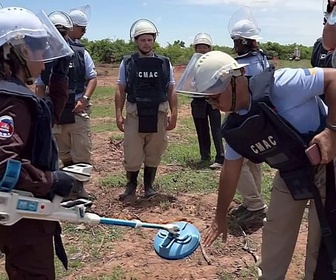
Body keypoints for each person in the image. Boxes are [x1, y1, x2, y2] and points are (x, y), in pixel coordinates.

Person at [176, 50, 336, 279]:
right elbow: (230, 171)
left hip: (329, 162)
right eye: (207, 99)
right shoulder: (237, 127)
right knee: (275, 233)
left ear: (234, 80)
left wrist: (331, 131)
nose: (212, 105)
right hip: (293, 172)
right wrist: (220, 216)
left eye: (214, 97)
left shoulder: (283, 84)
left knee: (321, 242)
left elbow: (334, 78)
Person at [0, 6, 76, 279]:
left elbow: (44, 120)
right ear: (19, 49)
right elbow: (3, 164)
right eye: (41, 51)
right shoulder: (12, 100)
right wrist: (51, 181)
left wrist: (59, 79)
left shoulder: (15, 94)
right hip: (22, 218)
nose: (44, 62)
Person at [36, 7, 98, 200]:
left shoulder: (80, 52)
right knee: (62, 151)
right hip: (55, 112)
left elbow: (92, 78)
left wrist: (84, 99)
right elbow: (40, 84)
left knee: (82, 150)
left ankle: (80, 189)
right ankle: (68, 187)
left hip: (77, 109)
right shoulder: (44, 55)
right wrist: (42, 110)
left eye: (62, 31)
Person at [115, 18, 177, 200]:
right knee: (132, 152)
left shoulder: (165, 62)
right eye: (142, 40)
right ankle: (131, 185)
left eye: (150, 39)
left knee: (155, 151)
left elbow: (171, 89)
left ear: (154, 40)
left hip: (158, 112)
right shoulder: (127, 63)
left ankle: (149, 186)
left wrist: (174, 114)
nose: (146, 43)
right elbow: (120, 89)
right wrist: (118, 114)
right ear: (136, 41)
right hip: (135, 113)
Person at [227, 7, 269, 231]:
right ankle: (253, 200)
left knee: (235, 162)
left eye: (236, 41)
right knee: (253, 161)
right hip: (260, 117)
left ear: (245, 41)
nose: (235, 45)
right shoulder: (261, 59)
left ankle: (254, 204)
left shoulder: (244, 65)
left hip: (244, 117)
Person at [190, 32, 225, 169]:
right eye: (200, 47)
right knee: (201, 129)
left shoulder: (215, 63)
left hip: (212, 100)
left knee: (216, 129)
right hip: (198, 100)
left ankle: (220, 157)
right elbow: (190, 80)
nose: (202, 49)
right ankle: (205, 156)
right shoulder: (193, 63)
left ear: (210, 48)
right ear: (196, 49)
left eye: (205, 47)